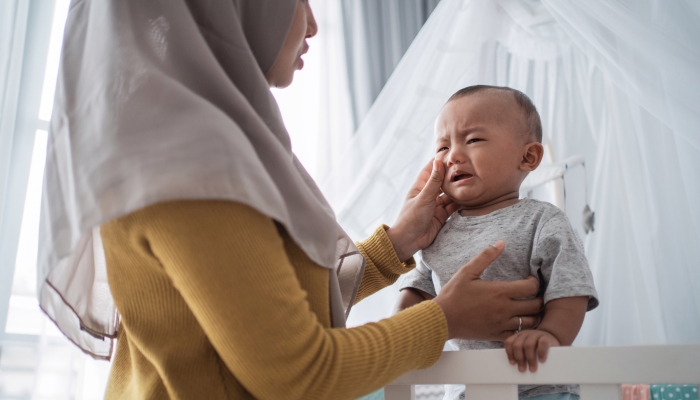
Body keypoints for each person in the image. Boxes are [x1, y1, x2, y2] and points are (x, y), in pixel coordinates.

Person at [38, 2, 543, 399]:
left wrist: (397, 243)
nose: (314, 24)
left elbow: (270, 307)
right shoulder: (195, 165)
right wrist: (444, 318)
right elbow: (299, 374)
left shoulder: (200, 142)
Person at [394, 86, 599, 400]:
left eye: (473, 140)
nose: (453, 156)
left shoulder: (543, 220)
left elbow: (571, 289)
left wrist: (549, 335)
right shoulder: (436, 231)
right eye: (442, 148)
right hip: (463, 388)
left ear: (527, 156)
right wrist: (404, 326)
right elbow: (416, 296)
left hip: (537, 382)